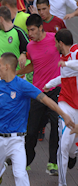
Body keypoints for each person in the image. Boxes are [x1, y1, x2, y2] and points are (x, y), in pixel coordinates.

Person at [0, 52, 75, 186]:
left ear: (7, 67)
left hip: (17, 140)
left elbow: (46, 100)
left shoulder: (23, 85)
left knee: (20, 175)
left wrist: (64, 114)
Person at [16, 14, 61, 175]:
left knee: (56, 127)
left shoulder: (54, 39)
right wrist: (17, 72)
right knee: (32, 129)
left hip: (55, 91)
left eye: (32, 30)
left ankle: (53, 163)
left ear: (41, 27)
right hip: (38, 93)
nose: (30, 33)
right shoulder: (30, 47)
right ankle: (26, 160)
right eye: (28, 30)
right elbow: (33, 65)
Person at [43, 29, 78, 186]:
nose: (55, 46)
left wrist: (67, 63)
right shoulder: (62, 59)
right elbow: (64, 77)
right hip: (65, 104)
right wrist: (50, 84)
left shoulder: (76, 52)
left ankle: (74, 153)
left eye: (55, 43)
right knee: (63, 146)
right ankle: (62, 184)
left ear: (60, 43)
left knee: (71, 149)